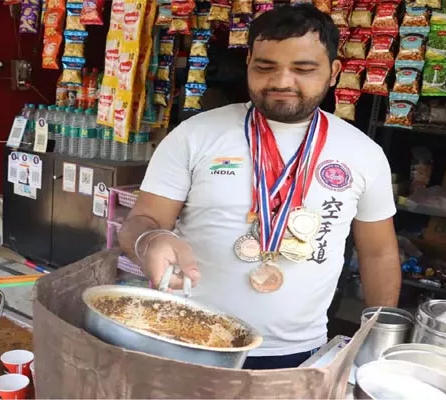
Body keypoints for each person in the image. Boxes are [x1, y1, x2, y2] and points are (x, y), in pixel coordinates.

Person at [118, 4, 401, 370]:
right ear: (249, 61)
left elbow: (378, 254)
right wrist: (150, 241)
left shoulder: (363, 153)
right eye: (265, 67)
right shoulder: (195, 134)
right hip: (188, 340)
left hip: (299, 356)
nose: (282, 81)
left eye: (303, 69)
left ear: (333, 73)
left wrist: (377, 345)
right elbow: (142, 220)